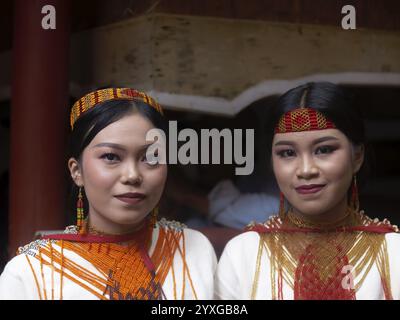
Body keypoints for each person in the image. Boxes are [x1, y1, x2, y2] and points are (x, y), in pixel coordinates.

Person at [0, 88, 216, 300]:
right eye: (111, 157)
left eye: (150, 158)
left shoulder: (195, 249)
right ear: (77, 171)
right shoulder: (32, 271)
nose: (132, 175)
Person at [215, 82, 400, 300]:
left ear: (357, 157)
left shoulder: (392, 252)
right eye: (287, 153)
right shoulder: (244, 254)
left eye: (324, 150)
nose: (305, 170)